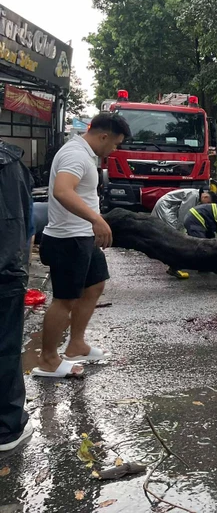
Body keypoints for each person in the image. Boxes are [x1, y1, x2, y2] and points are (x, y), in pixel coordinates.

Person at [33, 113, 131, 379]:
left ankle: (76, 344)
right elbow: (63, 191)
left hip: (82, 236)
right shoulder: (75, 155)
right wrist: (96, 219)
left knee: (95, 284)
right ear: (103, 136)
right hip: (68, 239)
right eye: (115, 144)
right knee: (65, 299)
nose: (114, 150)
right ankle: (48, 360)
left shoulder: (85, 153)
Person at [0, 140, 34, 451]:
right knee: (5, 349)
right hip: (5, 272)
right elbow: (26, 221)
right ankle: (7, 429)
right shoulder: (10, 164)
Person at [152, 187, 217, 277]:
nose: (207, 205)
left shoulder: (196, 196)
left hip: (171, 207)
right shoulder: (193, 195)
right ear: (206, 197)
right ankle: (173, 260)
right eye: (208, 203)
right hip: (167, 206)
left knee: (174, 232)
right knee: (175, 233)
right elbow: (184, 215)